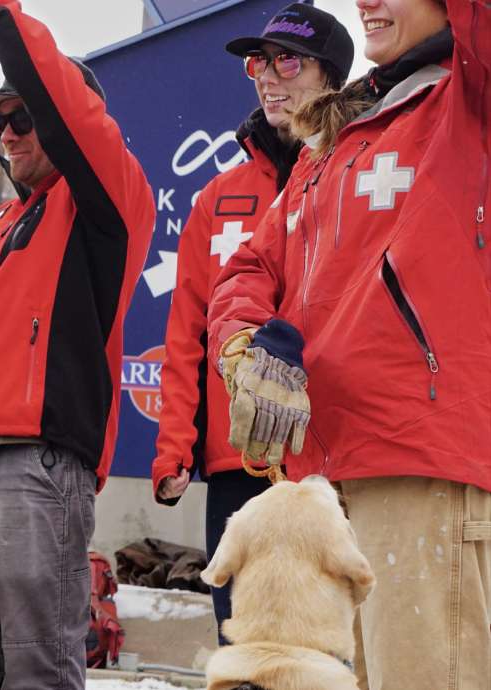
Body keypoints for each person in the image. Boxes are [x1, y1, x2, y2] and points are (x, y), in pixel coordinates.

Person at [209, 0, 489, 687]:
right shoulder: (331, 141)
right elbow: (249, 268)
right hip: (322, 477)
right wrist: (244, 346)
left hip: (416, 458)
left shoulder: (467, 98)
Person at [0, 0, 154, 685]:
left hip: (36, 468)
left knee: (38, 674)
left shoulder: (105, 202)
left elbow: (73, 115)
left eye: (22, 117)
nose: (7, 134)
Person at [150, 2, 353, 644]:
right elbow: (187, 329)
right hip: (240, 456)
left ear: (331, 76)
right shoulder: (219, 196)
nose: (268, 77)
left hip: (338, 459)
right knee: (243, 648)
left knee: (326, 653)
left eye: (287, 62)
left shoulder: (359, 175)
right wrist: (174, 445)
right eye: (258, 64)